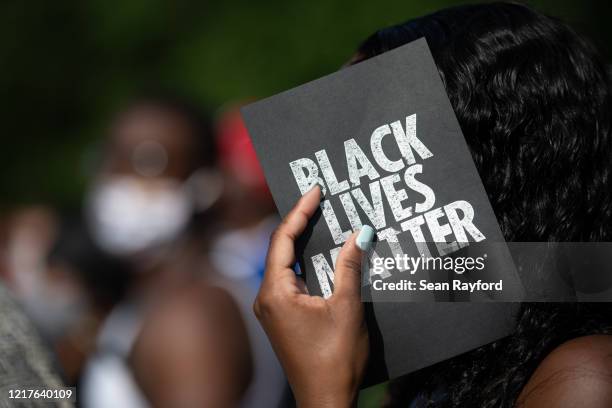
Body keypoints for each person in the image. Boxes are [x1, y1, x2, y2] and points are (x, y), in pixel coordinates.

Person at [255, 3, 612, 407]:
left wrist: (323, 391)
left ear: (494, 158)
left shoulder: (588, 376)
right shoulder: (448, 371)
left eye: (385, 141)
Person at [81, 93, 252, 407]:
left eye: (146, 161)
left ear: (205, 184)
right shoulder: (155, 301)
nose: (115, 178)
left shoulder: (191, 320)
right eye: (112, 157)